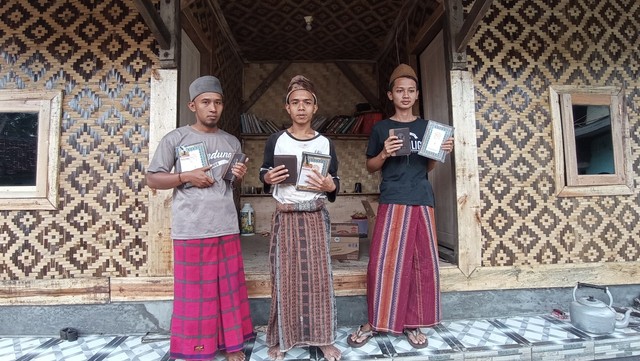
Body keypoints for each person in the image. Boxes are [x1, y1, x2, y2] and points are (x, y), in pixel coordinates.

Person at [146, 75, 254, 361]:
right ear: (192, 105)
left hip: (226, 225)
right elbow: (153, 179)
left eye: (218, 102)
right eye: (206, 102)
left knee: (228, 291)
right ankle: (197, 349)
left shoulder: (231, 141)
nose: (213, 108)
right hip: (191, 227)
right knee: (196, 296)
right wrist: (184, 176)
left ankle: (232, 345)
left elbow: (227, 182)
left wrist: (237, 175)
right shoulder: (176, 138)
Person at [348, 64, 454, 349]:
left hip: (421, 199)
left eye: (410, 91)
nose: (405, 95)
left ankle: (411, 322)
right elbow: (371, 166)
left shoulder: (427, 128)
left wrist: (440, 152)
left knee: (420, 265)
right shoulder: (382, 128)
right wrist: (385, 152)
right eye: (399, 91)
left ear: (417, 94)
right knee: (383, 264)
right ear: (390, 94)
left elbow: (428, 166)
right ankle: (375, 320)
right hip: (393, 199)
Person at [259, 75, 341, 361]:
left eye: (307, 102)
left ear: (315, 108)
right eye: (296, 103)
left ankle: (323, 338)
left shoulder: (325, 143)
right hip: (286, 218)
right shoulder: (276, 141)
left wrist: (331, 186)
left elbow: (335, 182)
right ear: (287, 108)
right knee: (284, 278)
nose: (301, 107)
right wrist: (268, 177)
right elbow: (264, 174)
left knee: (320, 279)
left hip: (316, 217)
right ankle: (282, 338)